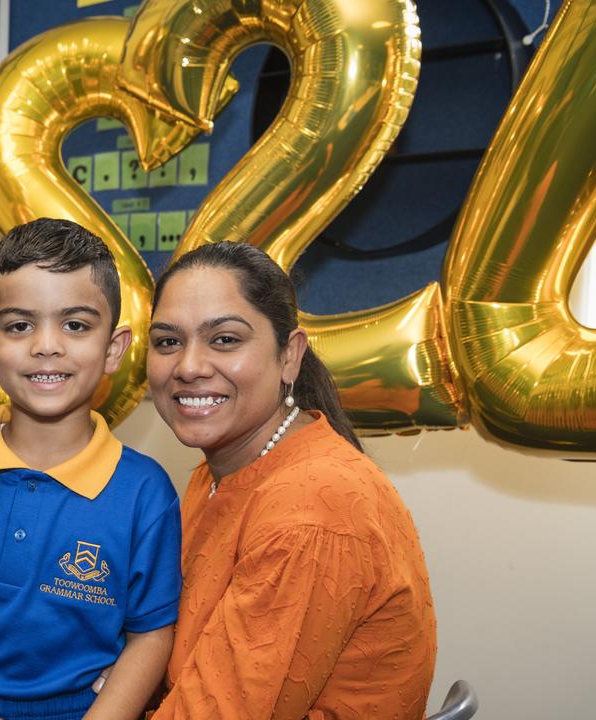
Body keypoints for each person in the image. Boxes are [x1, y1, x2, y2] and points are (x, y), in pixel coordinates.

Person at [0, 218, 182, 720]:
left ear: (113, 349)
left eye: (76, 325)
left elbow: (150, 635)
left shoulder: (145, 493)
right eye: (20, 326)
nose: (47, 345)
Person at [143, 241, 437, 720]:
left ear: (289, 356)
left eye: (224, 340)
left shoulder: (308, 512)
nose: (189, 366)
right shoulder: (223, 469)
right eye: (168, 342)